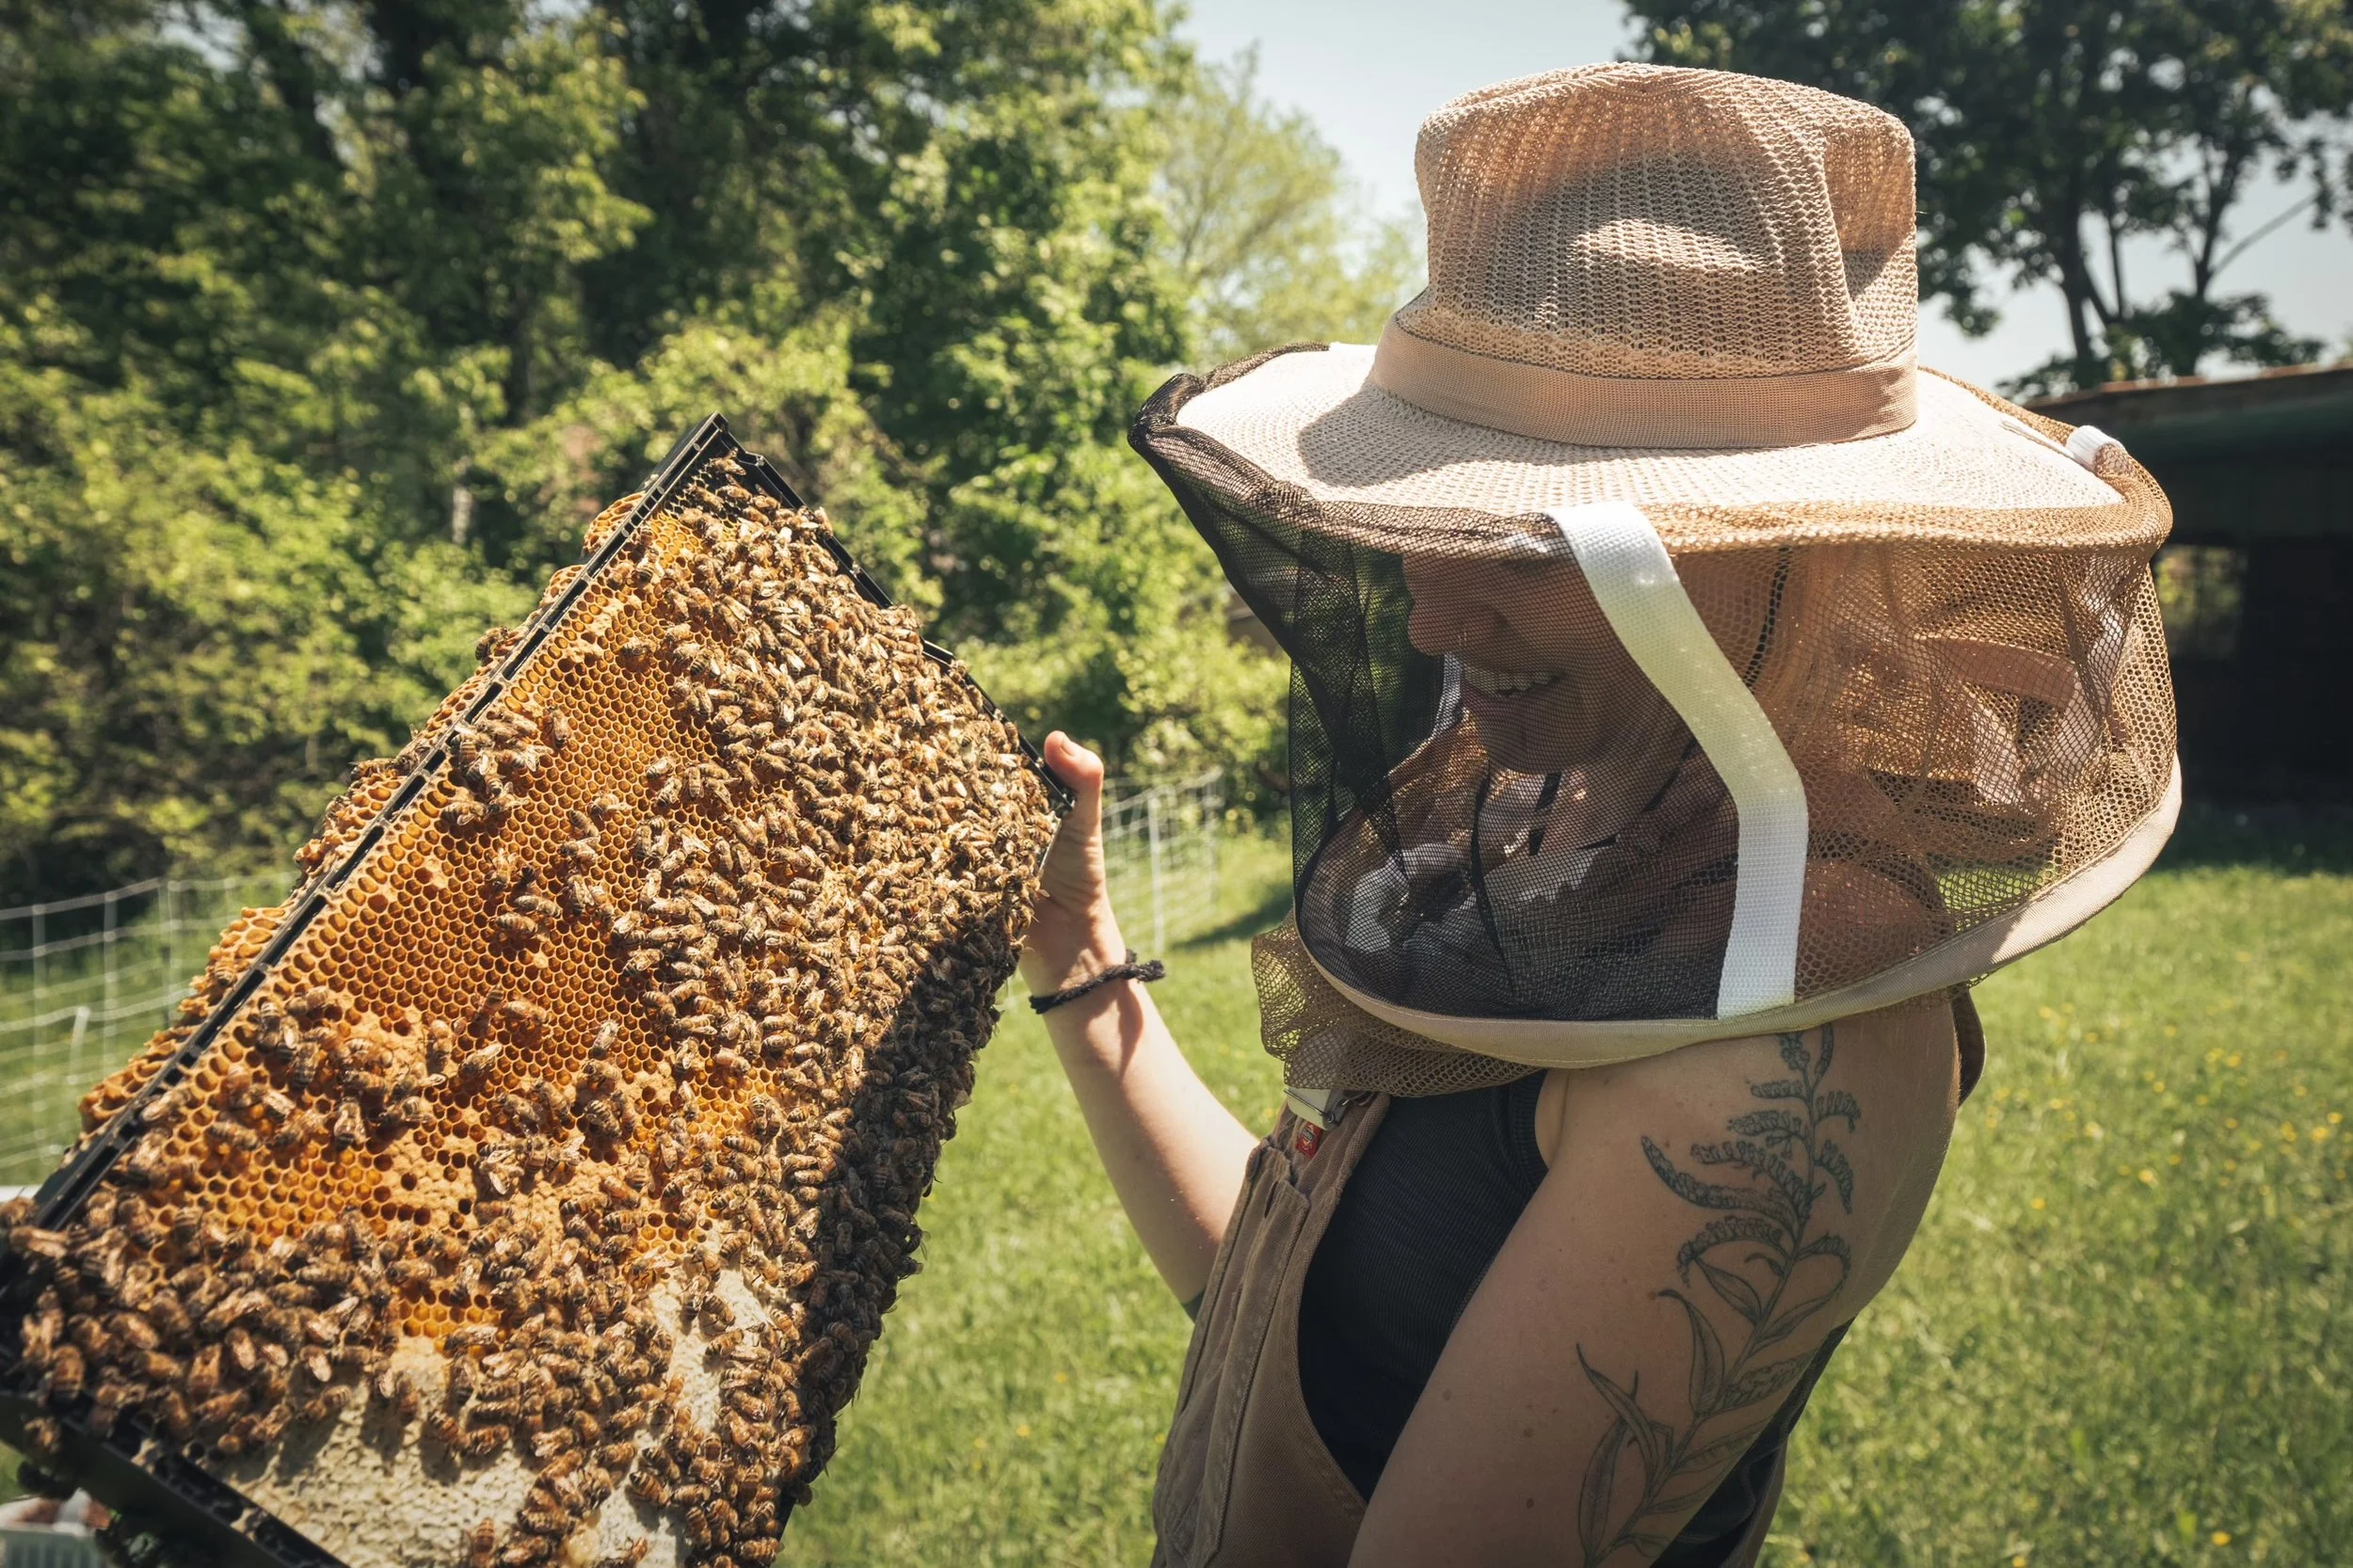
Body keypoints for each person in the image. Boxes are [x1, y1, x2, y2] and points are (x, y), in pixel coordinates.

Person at [1022, 64, 2178, 1568]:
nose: (1433, 614)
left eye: (1526, 537)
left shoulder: (1783, 1061)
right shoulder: (1534, 827)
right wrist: (1084, 957)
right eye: (1421, 529)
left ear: (1778, 550)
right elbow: (1313, 1341)